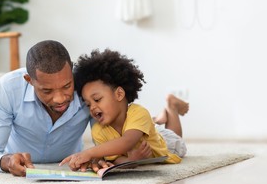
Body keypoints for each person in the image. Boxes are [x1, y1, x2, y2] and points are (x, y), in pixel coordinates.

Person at [0, 40, 110, 176]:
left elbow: (109, 141)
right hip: (9, 148)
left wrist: (100, 155)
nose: (59, 99)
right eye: (47, 90)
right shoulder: (9, 87)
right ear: (29, 80)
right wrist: (6, 162)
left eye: (66, 86)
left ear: (71, 71)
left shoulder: (89, 88)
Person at [60, 49, 189, 171]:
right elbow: (116, 159)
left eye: (97, 99)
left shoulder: (138, 112)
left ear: (119, 94)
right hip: (144, 129)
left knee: (178, 142)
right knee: (150, 126)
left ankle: (171, 108)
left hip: (163, 142)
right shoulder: (98, 131)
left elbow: (127, 141)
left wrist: (89, 152)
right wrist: (131, 160)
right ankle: (159, 118)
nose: (92, 107)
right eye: (88, 104)